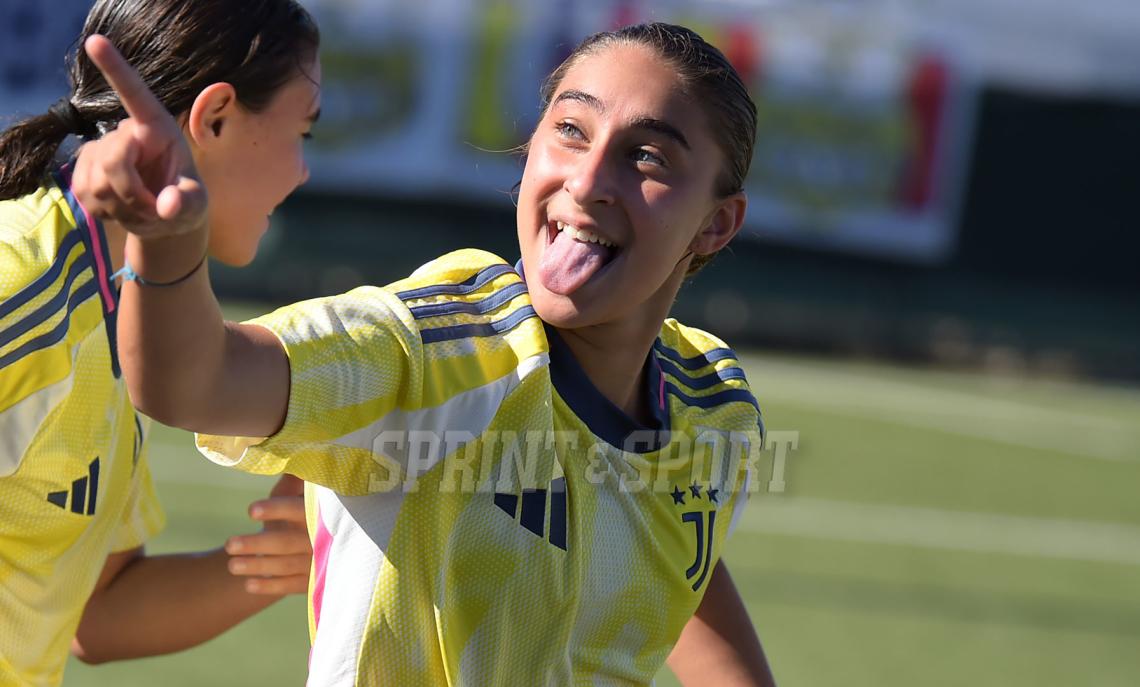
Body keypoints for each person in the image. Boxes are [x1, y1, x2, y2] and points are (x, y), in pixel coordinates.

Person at [76, 21, 777, 686]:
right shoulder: (434, 350)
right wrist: (164, 240)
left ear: (717, 222)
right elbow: (191, 384)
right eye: (570, 130)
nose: (589, 179)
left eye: (646, 156)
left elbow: (668, 539)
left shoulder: (712, 407)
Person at [0, 1, 321, 684]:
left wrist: (277, 563)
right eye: (304, 131)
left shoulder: (118, 310)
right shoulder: (23, 290)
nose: (302, 172)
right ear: (214, 118)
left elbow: (96, 611)